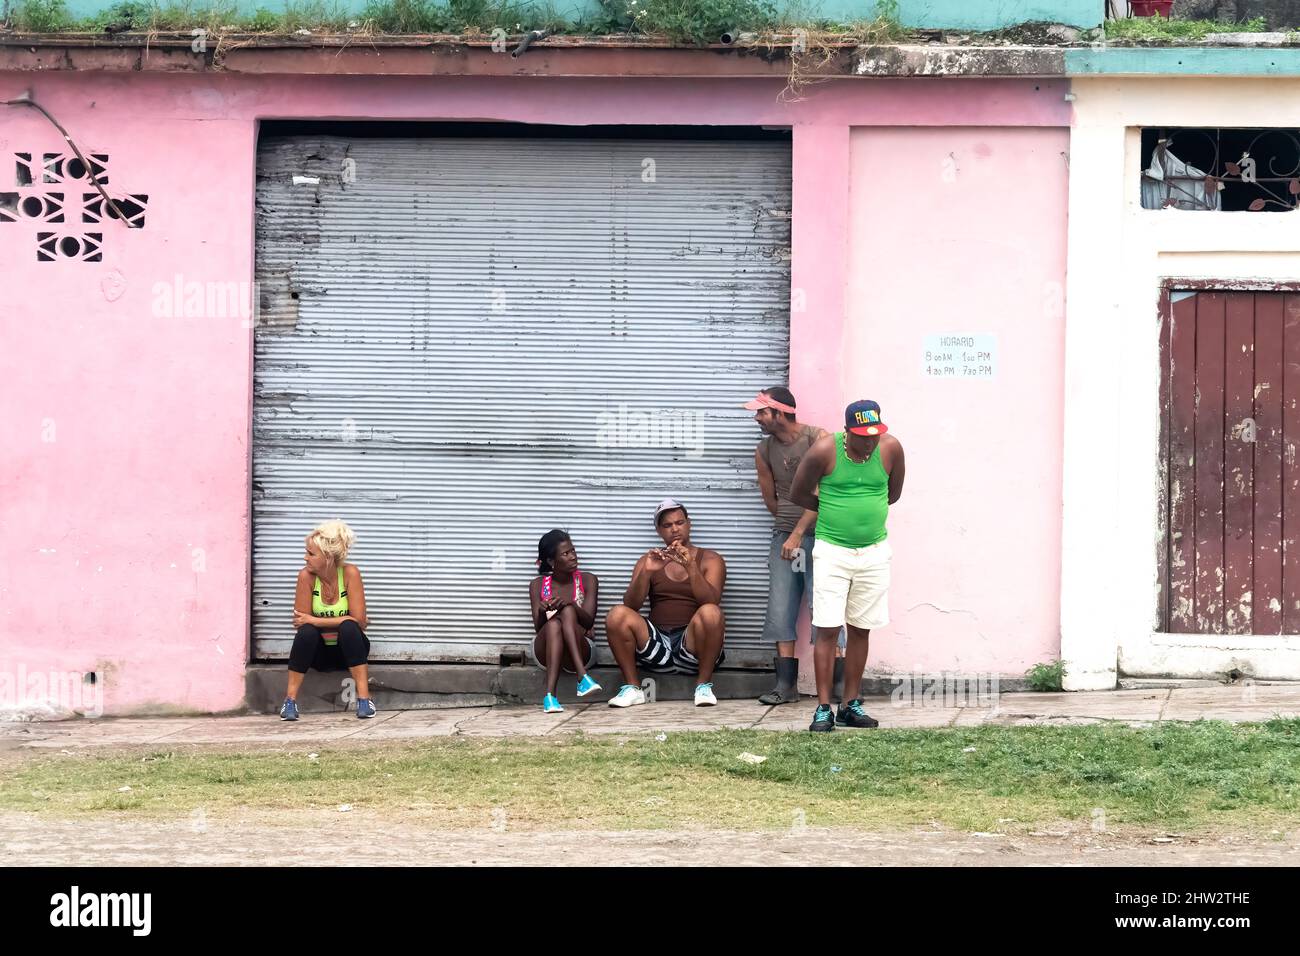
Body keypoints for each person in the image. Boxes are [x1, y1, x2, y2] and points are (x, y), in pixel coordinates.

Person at [789, 400, 906, 732]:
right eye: (861, 435)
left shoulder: (891, 449)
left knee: (860, 628)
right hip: (832, 551)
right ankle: (824, 708)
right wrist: (831, 508)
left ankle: (850, 705)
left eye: (873, 434)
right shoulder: (825, 451)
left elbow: (892, 494)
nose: (868, 441)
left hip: (873, 552)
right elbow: (798, 493)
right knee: (827, 628)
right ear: (847, 431)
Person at [744, 386, 844, 705]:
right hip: (785, 537)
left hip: (825, 536)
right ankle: (785, 687)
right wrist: (789, 527)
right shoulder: (763, 450)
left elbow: (826, 491)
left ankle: (837, 687)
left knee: (825, 607)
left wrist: (798, 532)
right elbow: (770, 499)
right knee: (780, 608)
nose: (757, 418)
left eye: (762, 412)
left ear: (781, 413)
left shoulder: (818, 439)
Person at [603, 499, 727, 708]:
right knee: (617, 613)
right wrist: (647, 572)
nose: (675, 529)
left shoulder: (711, 559)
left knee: (711, 612)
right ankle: (633, 689)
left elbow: (712, 601)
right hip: (656, 649)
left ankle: (704, 687)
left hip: (692, 650)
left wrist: (691, 568)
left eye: (679, 522)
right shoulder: (649, 560)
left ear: (689, 524)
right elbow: (631, 605)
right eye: (667, 525)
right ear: (659, 531)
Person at [280, 519, 374, 720]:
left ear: (328, 556)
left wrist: (315, 621)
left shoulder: (350, 573)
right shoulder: (306, 577)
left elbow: (359, 622)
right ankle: (289, 702)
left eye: (311, 554)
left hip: (349, 651)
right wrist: (340, 619)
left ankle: (365, 700)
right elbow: (302, 624)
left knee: (349, 628)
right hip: (319, 654)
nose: (306, 558)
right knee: (307, 633)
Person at [529, 530, 602, 713]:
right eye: (565, 553)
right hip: (546, 651)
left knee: (567, 609)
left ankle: (554, 694)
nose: (573, 556)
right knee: (553, 624)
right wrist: (541, 609)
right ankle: (577, 681)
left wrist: (570, 604)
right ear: (552, 562)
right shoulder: (538, 585)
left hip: (580, 648)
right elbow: (539, 628)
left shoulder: (587, 580)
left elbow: (588, 621)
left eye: (573, 551)